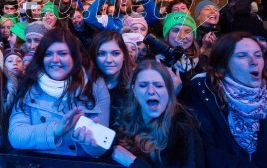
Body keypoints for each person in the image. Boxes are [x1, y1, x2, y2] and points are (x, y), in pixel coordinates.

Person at [9, 27, 110, 158]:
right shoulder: (30, 83)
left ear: (74, 56)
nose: (55, 59)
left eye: (62, 53)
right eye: (48, 54)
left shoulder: (95, 84)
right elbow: (16, 136)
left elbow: (101, 148)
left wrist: (89, 143)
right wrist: (56, 130)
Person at [189, 31, 266, 167]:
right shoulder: (203, 91)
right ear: (224, 63)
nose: (254, 62)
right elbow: (205, 150)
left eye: (258, 55)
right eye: (242, 56)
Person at [112, 59, 205, 167]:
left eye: (159, 85)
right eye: (143, 85)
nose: (151, 91)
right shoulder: (123, 120)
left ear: (169, 91)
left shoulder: (185, 127)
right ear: (134, 90)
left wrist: (133, 162)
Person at [90, 30, 134, 127]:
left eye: (115, 53)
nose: (109, 60)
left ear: (124, 56)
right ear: (94, 57)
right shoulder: (86, 87)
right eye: (101, 54)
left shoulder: (135, 86)